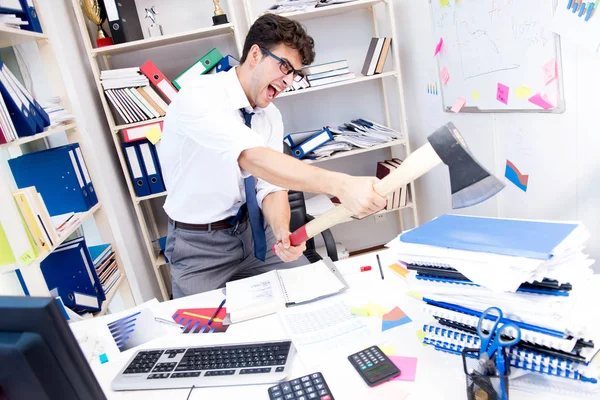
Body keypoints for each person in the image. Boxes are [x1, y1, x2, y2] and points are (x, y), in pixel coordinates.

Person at [159, 14, 386, 298]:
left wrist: (281, 230)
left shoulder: (270, 116)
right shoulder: (200, 97)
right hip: (199, 248)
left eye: (295, 73)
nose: (289, 80)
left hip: (255, 233)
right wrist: (342, 185)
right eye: (284, 66)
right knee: (206, 334)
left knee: (313, 299)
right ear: (255, 54)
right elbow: (253, 159)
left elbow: (270, 185)